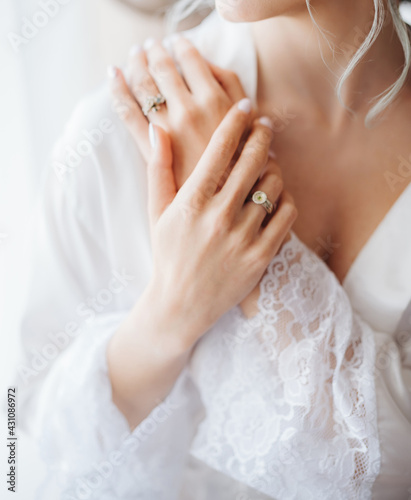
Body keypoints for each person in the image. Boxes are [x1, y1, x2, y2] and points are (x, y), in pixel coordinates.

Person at [14, 0, 411, 498]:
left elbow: (393, 476)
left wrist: (252, 237)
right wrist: (169, 313)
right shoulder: (109, 137)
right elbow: (26, 442)